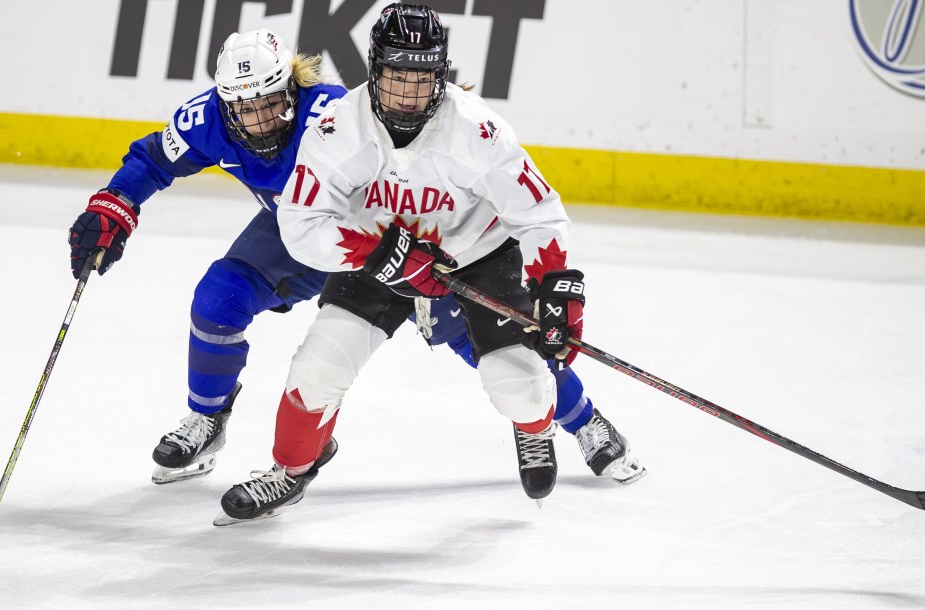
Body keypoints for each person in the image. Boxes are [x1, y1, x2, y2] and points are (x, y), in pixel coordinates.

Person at [66, 25, 641, 504]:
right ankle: (211, 421)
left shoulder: (340, 114)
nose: (259, 120)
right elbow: (157, 160)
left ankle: (575, 418)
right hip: (331, 237)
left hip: (413, 241)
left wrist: (526, 274)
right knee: (224, 304)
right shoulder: (220, 120)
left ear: (292, 87)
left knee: (499, 354)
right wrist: (114, 203)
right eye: (244, 107)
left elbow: (500, 197)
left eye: (271, 101)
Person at [214, 4, 632, 525]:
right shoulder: (337, 128)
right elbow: (299, 223)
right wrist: (373, 252)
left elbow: (538, 212)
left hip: (477, 256)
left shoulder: (478, 130)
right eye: (396, 78)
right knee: (317, 367)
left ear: (441, 75)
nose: (408, 95)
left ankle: (534, 426)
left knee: (517, 383)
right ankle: (290, 470)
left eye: (421, 79)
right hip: (377, 254)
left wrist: (555, 286)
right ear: (374, 71)